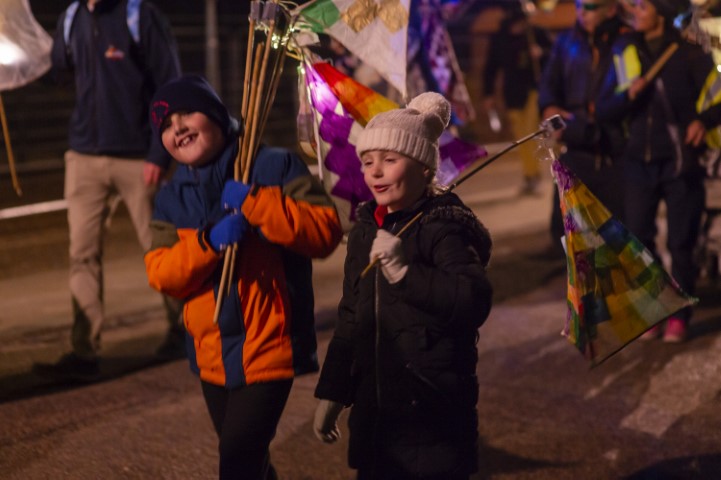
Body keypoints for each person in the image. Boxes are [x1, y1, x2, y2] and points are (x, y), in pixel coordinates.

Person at [144, 75, 343, 479]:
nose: (177, 127)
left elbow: (324, 233)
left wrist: (256, 203)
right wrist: (207, 243)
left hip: (268, 344)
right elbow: (163, 275)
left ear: (217, 114)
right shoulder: (171, 196)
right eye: (165, 125)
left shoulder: (272, 165)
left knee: (236, 462)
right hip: (211, 353)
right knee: (249, 462)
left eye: (186, 113)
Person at [312, 92, 493, 480]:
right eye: (367, 161)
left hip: (431, 411)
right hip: (376, 415)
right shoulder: (365, 233)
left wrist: (406, 274)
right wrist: (334, 391)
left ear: (425, 169)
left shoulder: (444, 227)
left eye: (390, 160)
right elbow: (350, 318)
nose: (375, 172)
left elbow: (473, 300)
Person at [33, 0, 183, 381]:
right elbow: (56, 73)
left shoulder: (138, 16)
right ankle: (84, 351)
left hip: (138, 159)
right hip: (83, 158)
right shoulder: (71, 19)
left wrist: (158, 154)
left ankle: (184, 330)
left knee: (160, 250)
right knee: (81, 255)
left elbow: (170, 84)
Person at [596, 0, 721, 342]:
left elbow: (718, 98)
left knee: (682, 242)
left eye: (642, 6)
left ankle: (680, 314)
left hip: (681, 162)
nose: (634, 11)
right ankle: (653, 310)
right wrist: (627, 97)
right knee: (638, 240)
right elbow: (603, 108)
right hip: (638, 161)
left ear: (661, 13)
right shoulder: (624, 51)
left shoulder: (689, 53)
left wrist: (703, 120)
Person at [538, 0, 629, 253]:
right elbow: (548, 85)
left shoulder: (625, 40)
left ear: (610, 9)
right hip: (576, 147)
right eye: (579, 6)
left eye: (590, 7)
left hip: (613, 150)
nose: (582, 13)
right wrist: (550, 109)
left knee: (619, 237)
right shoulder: (566, 42)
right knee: (568, 234)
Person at [483, 5, 552, 195]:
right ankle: (529, 175)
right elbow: (491, 67)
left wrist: (542, 53)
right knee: (521, 138)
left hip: (533, 91)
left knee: (530, 133)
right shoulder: (500, 39)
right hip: (512, 94)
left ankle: (533, 175)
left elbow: (555, 56)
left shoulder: (536, 34)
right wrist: (488, 94)